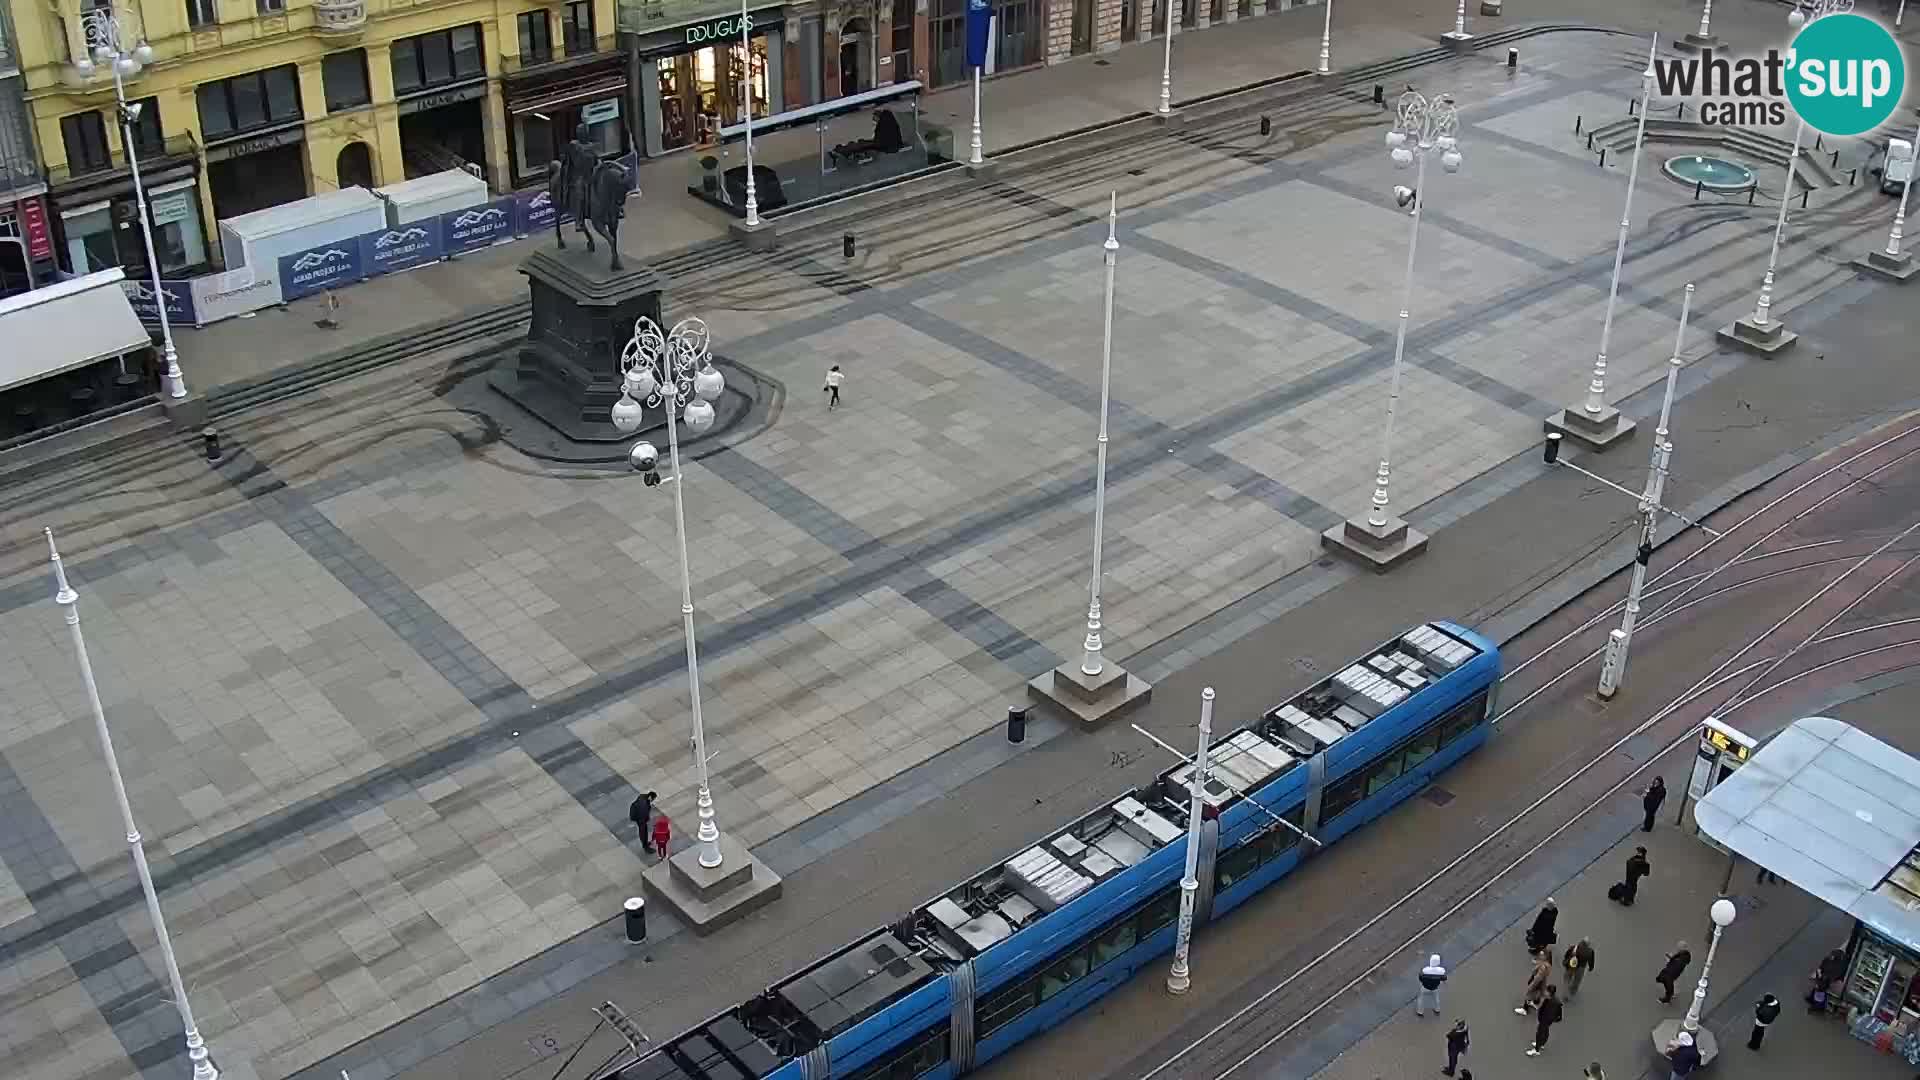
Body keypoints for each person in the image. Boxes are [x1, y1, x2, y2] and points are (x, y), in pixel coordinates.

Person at [1526, 986, 1562, 1056]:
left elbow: (1543, 1011)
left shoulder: (1551, 1003)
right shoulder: (1553, 1000)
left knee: (1540, 1033)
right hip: (1547, 1020)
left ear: (1549, 993)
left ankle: (1536, 1050)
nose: (1545, 992)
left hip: (1545, 1020)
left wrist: (1534, 1006)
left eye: (1546, 991)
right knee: (1545, 1032)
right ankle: (1541, 1044)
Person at [1516, 947, 1552, 1013]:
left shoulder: (1543, 967)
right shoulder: (1548, 965)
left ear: (1546, 957)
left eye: (1542, 955)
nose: (1540, 956)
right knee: (1538, 994)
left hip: (1537, 983)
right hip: (1541, 984)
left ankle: (1525, 1009)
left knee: (1529, 995)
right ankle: (1535, 1003)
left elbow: (1538, 978)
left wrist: (1531, 986)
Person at [628, 790, 657, 854]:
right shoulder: (643, 805)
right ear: (650, 797)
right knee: (643, 832)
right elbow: (642, 815)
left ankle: (645, 843)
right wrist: (644, 821)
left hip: (638, 816)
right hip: (640, 819)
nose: (653, 800)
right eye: (653, 799)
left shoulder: (643, 797)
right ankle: (646, 847)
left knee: (644, 831)